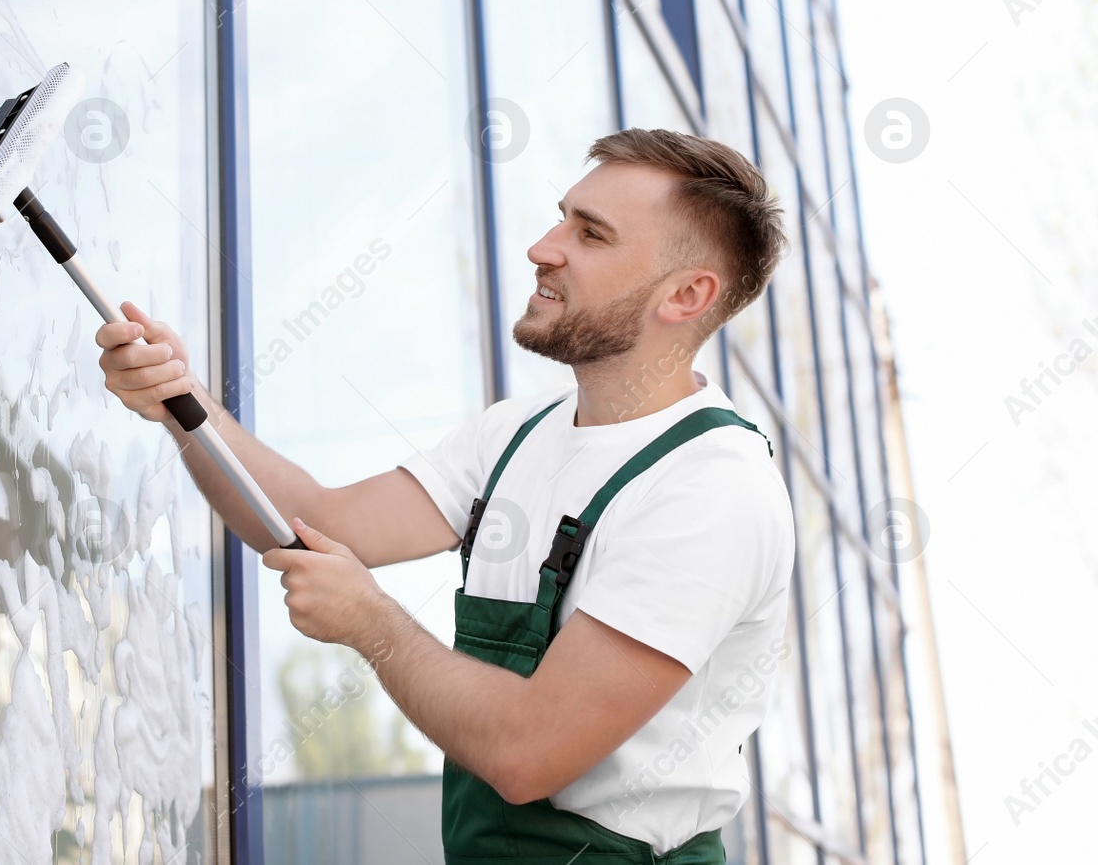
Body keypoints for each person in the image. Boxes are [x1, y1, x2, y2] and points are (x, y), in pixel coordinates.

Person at [95, 128, 795, 863]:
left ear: (687, 295)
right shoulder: (519, 432)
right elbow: (318, 523)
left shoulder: (712, 489)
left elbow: (530, 751)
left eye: (591, 234)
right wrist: (182, 401)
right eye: (563, 216)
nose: (544, 246)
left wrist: (373, 623)